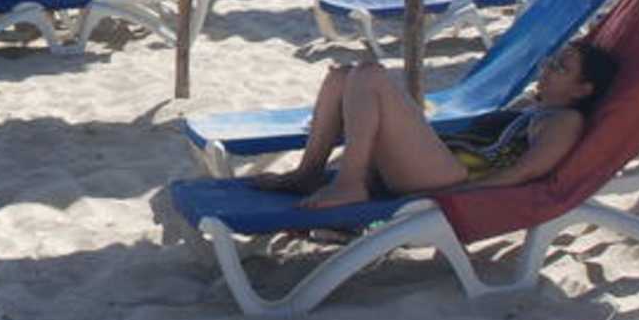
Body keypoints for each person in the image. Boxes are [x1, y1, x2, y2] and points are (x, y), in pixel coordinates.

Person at [253, 42, 619, 207]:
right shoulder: (531, 105)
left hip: (453, 176)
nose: (547, 69)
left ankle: (349, 183)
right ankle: (309, 173)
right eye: (551, 61)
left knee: (369, 74)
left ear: (583, 89)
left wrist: (458, 195)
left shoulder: (565, 120)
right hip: (441, 160)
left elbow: (525, 172)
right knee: (341, 76)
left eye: (561, 68)